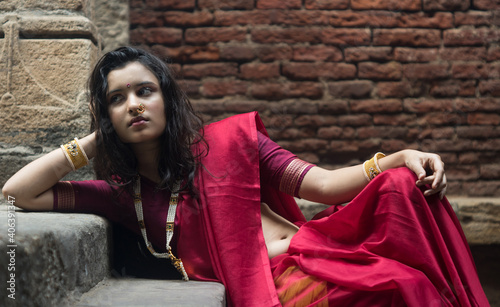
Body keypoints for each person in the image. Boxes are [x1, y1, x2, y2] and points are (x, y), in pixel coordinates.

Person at [2, 46, 489, 306]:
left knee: (408, 276)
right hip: (270, 292)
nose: (133, 105)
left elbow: (322, 185)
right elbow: (17, 192)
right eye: (117, 99)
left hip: (319, 257)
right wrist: (97, 137)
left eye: (144, 91)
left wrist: (399, 156)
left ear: (166, 100)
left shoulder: (232, 143)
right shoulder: (121, 197)